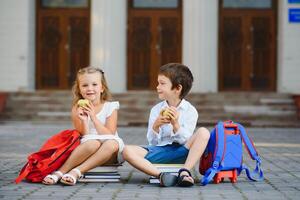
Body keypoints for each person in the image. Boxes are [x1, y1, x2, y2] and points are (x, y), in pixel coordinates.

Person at [123, 63, 210, 187]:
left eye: (162, 83)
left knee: (203, 132)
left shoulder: (190, 110)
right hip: (160, 151)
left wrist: (176, 125)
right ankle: (162, 176)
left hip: (183, 152)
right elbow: (152, 143)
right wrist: (156, 126)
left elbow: (187, 140)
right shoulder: (156, 110)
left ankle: (185, 172)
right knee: (126, 150)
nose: (157, 87)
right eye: (158, 83)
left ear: (177, 88)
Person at [42, 66, 124, 186]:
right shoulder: (77, 108)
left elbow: (110, 134)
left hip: (109, 152)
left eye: (94, 84)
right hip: (87, 148)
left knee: (112, 143)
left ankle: (76, 172)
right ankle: (60, 173)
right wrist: (84, 120)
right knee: (93, 143)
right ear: (79, 89)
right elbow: (84, 136)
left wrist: (94, 118)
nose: (90, 89)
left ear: (102, 88)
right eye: (85, 85)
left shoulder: (111, 107)